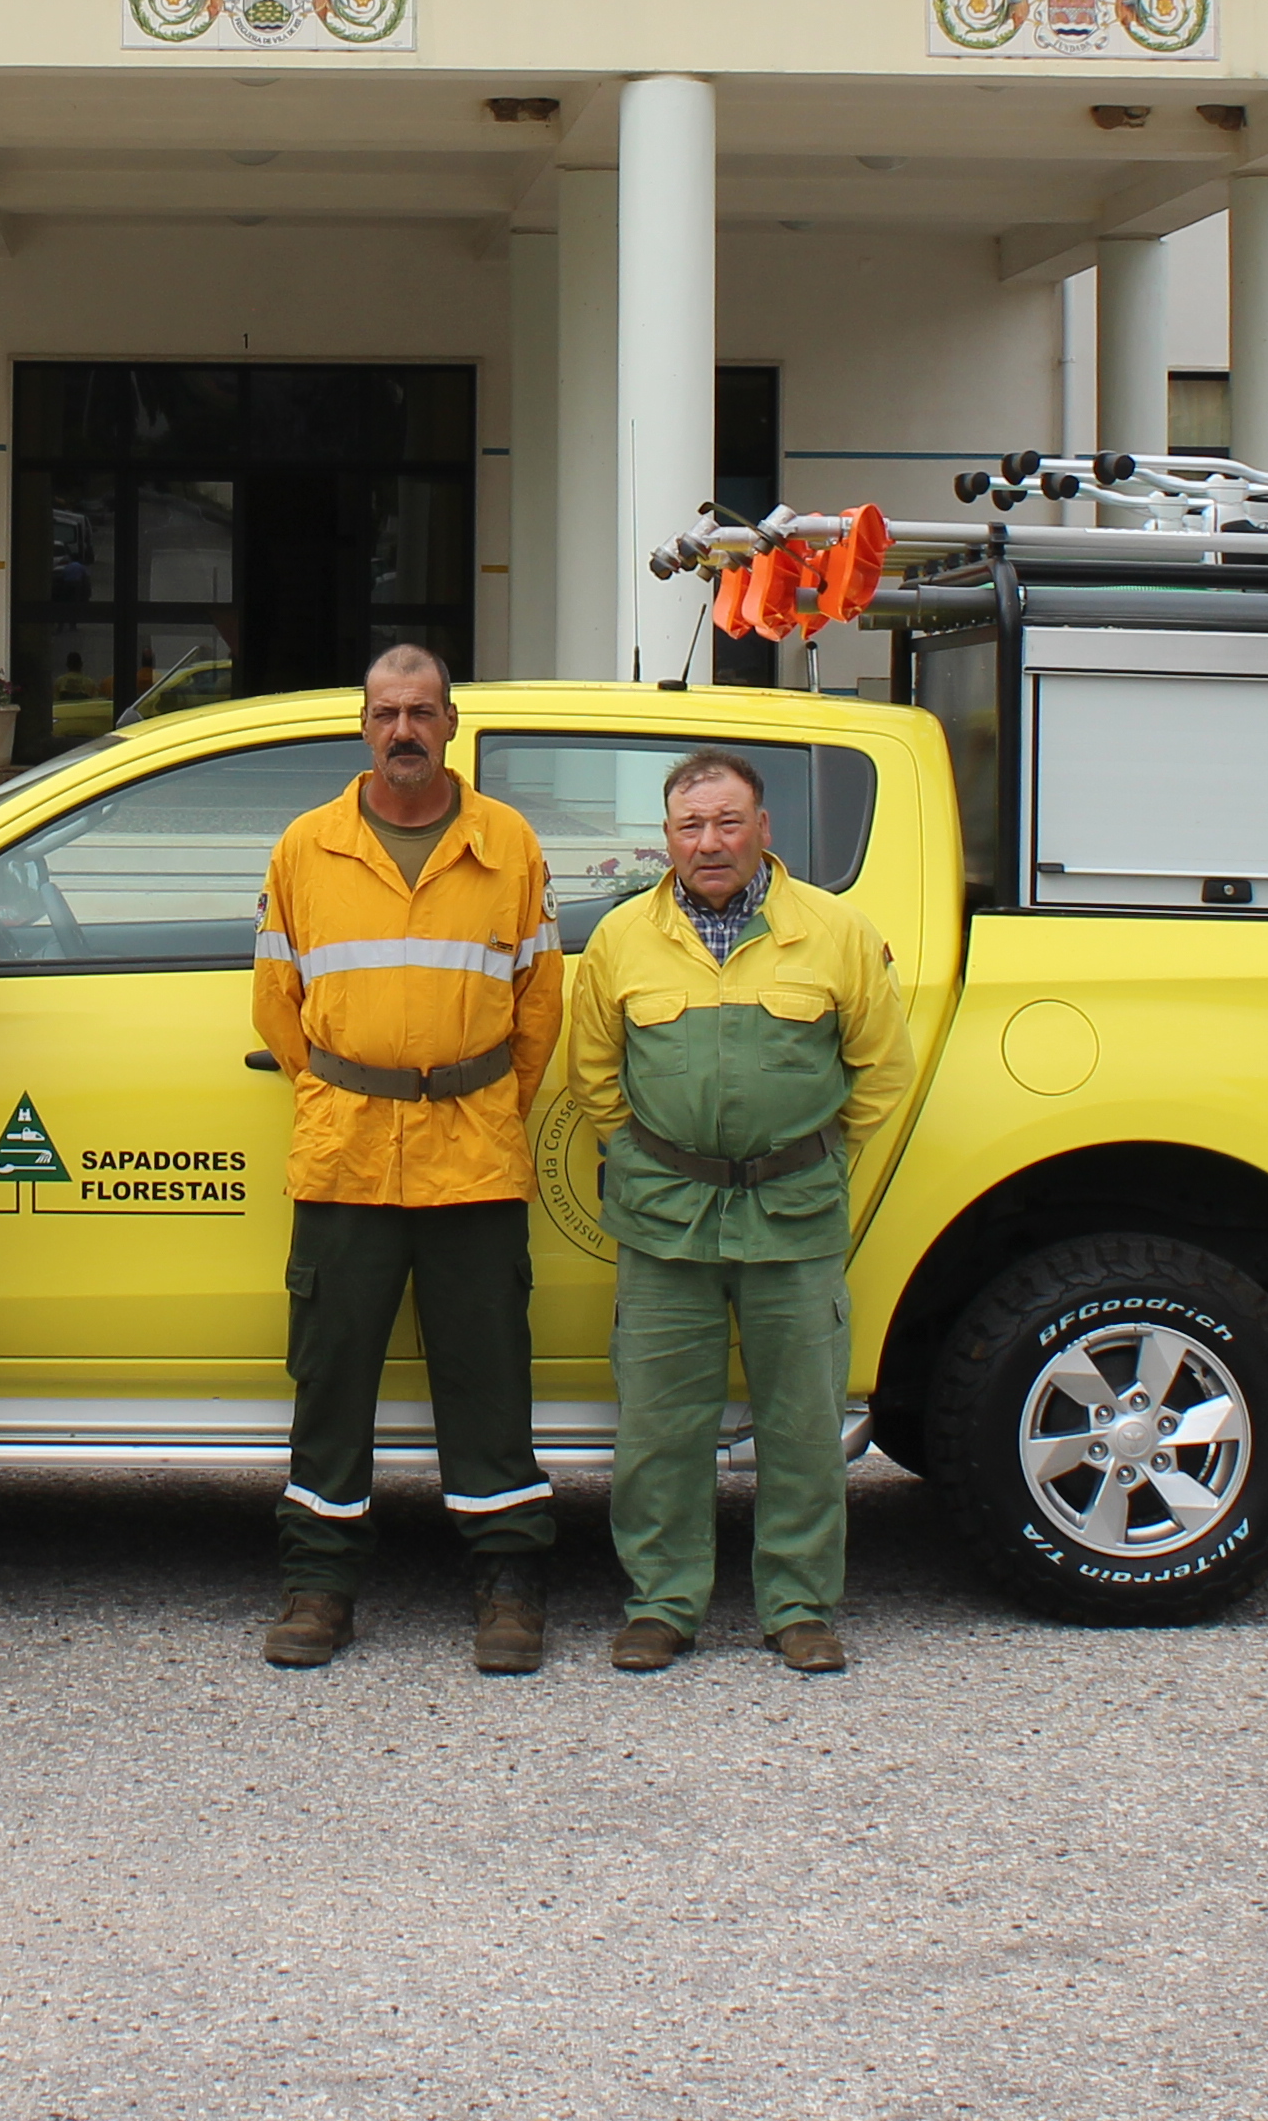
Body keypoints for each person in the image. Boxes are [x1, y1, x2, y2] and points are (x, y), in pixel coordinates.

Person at [247, 646, 569, 1674]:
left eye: (421, 712)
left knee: (488, 1378)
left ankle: (509, 1583)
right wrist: (346, 1088)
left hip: (472, 1147)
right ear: (363, 726)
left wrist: (474, 1097)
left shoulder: (509, 846)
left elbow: (539, 1007)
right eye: (386, 713)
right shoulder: (305, 848)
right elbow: (276, 1005)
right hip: (345, 1148)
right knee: (329, 1377)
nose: (403, 732)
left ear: (451, 722)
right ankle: (318, 1586)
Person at [568, 747, 903, 1676]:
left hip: (793, 1215)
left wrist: (823, 1163)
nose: (708, 842)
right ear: (666, 839)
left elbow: (881, 1073)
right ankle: (660, 1606)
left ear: (762, 830)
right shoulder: (622, 939)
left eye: (727, 822)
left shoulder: (834, 933)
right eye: (690, 825)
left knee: (801, 1423)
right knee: (660, 1425)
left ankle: (799, 1608)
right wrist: (641, 1158)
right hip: (663, 1216)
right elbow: (594, 1075)